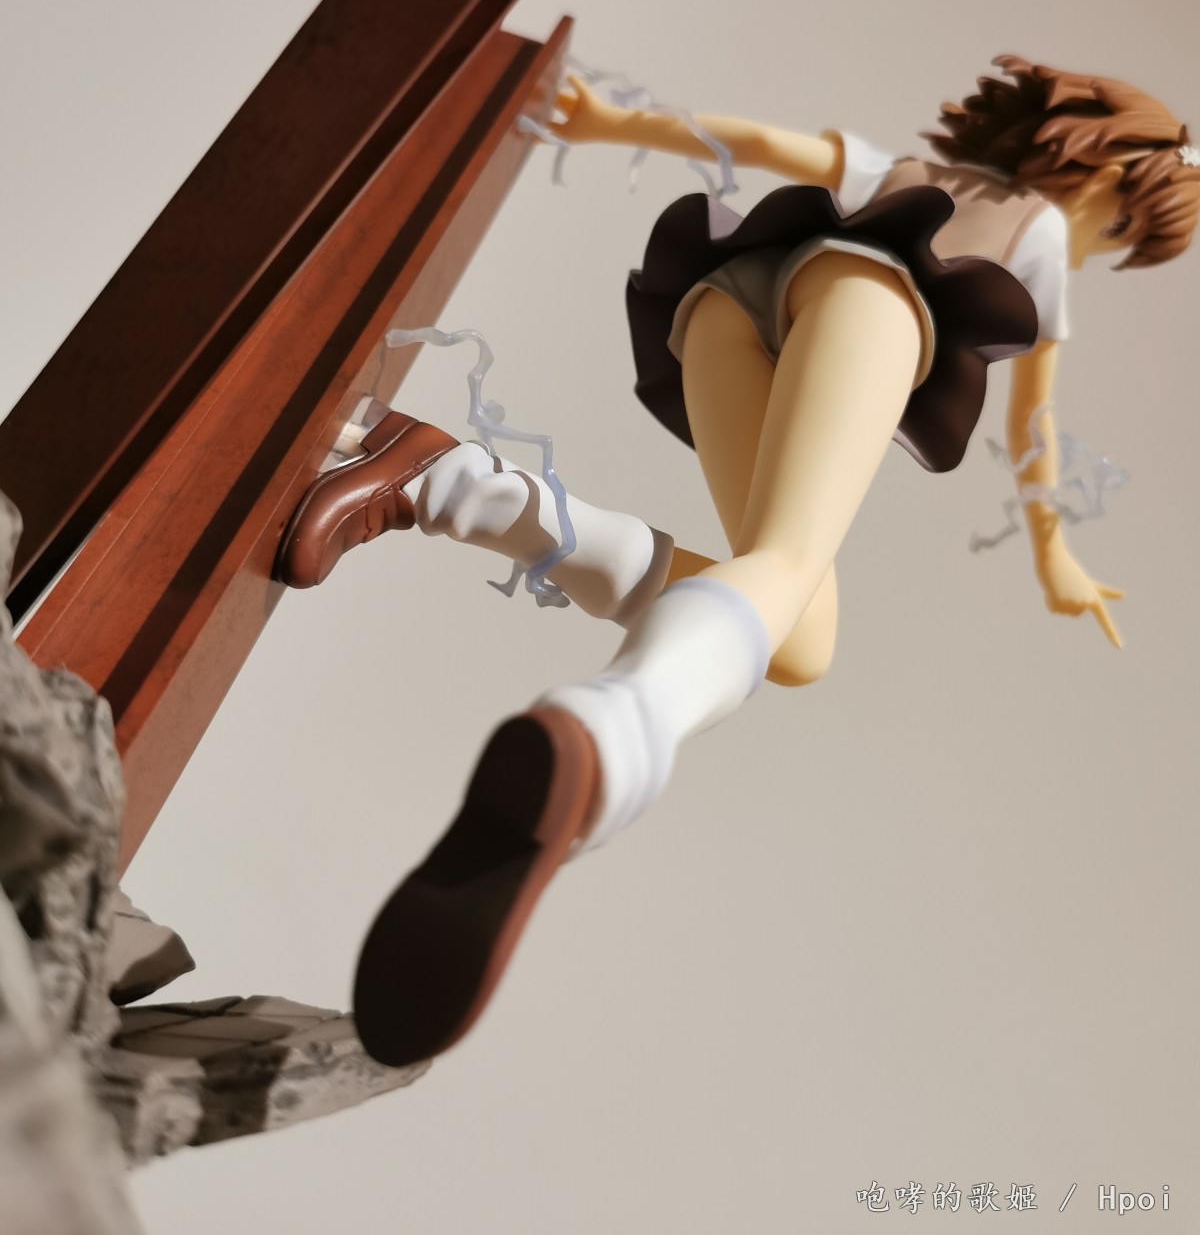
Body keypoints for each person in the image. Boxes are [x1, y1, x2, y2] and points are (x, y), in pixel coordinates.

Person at [279, 54, 1198, 1068]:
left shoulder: (905, 170)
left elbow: (766, 144)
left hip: (726, 303)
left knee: (798, 635)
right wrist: (1054, 550)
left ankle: (439, 478)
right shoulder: (1048, 234)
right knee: (790, 563)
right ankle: (614, 735)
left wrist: (607, 121)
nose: (1105, 245)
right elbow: (1035, 418)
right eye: (1123, 231)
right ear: (1114, 181)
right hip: (873, 303)